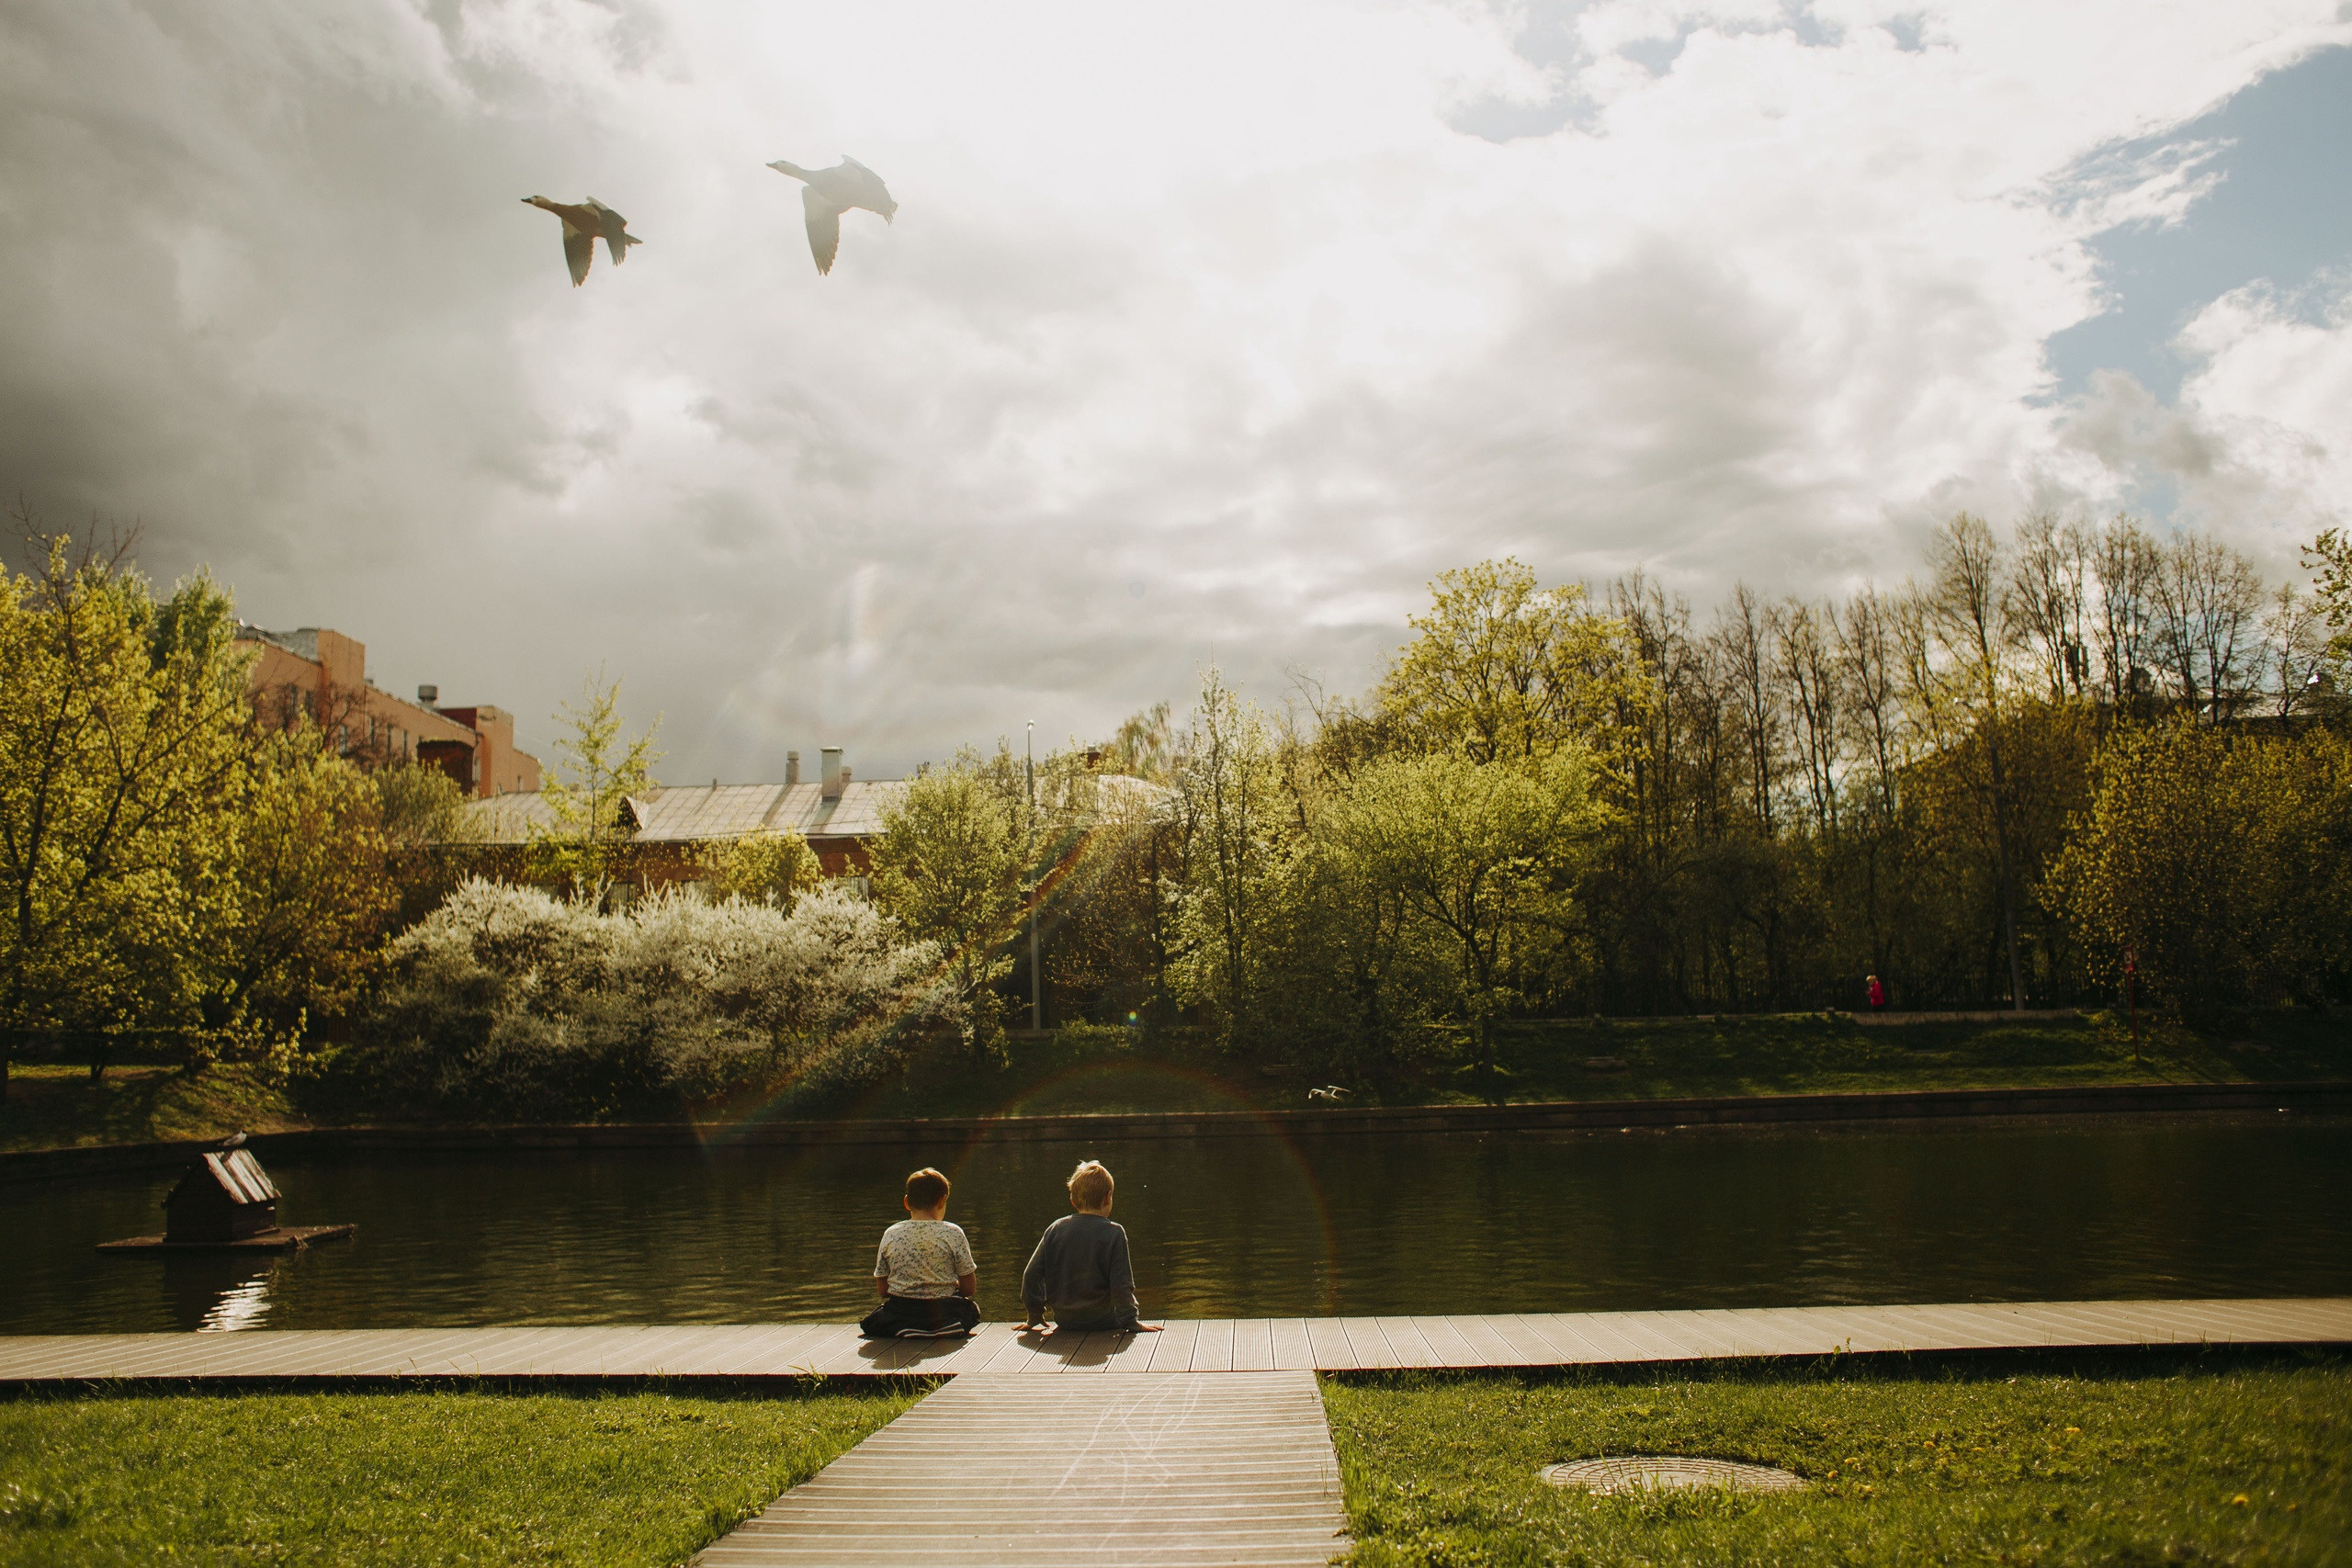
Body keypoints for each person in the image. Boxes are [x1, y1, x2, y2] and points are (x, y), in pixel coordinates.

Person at [1018, 1159, 1159, 1335]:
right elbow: (1121, 1285)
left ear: (1072, 1199)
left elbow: (1031, 1274)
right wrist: (1131, 1320)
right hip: (1104, 1320)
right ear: (1108, 1198)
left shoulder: (1056, 1229)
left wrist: (1035, 1314)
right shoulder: (1114, 1233)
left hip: (1064, 1320)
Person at [859, 1166, 982, 1339]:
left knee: (875, 1319)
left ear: (907, 1202)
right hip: (944, 1310)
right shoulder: (953, 1232)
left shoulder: (891, 1233)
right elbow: (969, 1288)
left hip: (902, 1311)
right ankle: (943, 1327)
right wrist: (950, 1284)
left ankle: (905, 1327)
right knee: (971, 1309)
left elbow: (883, 1290)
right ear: (942, 1200)